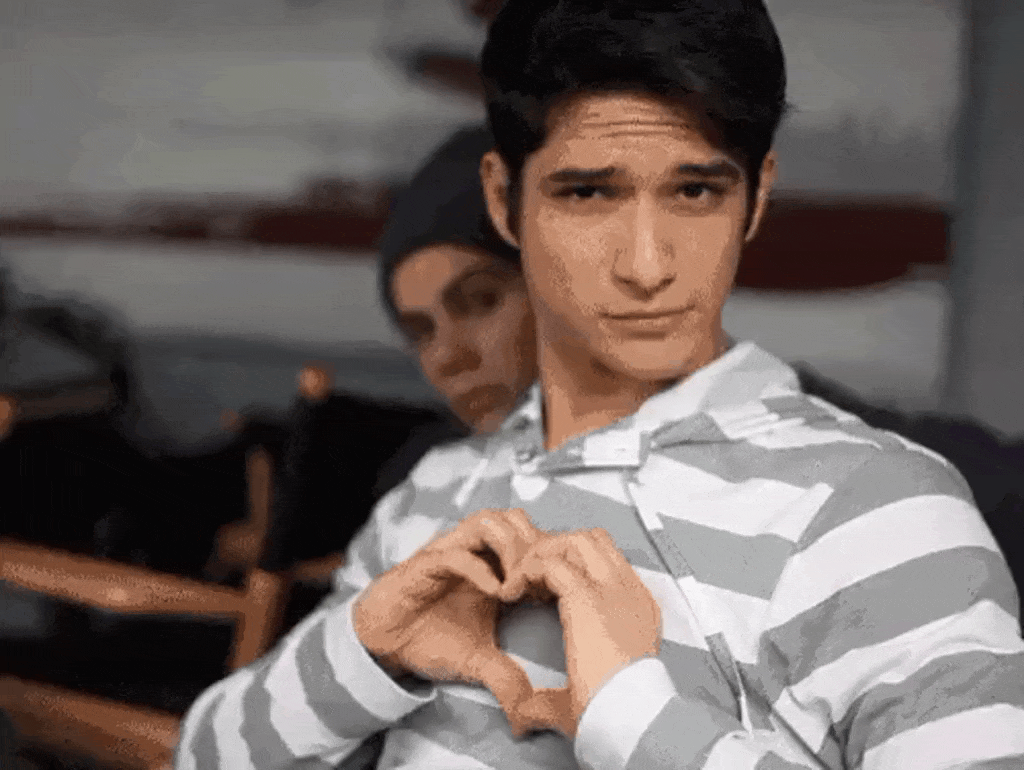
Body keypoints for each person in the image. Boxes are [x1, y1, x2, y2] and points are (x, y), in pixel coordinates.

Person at [176, 2, 1024, 769]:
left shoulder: (877, 511)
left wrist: (637, 720)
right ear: (505, 202)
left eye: (695, 190)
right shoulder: (432, 494)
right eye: (587, 193)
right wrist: (361, 658)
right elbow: (201, 755)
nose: (648, 267)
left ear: (757, 198)